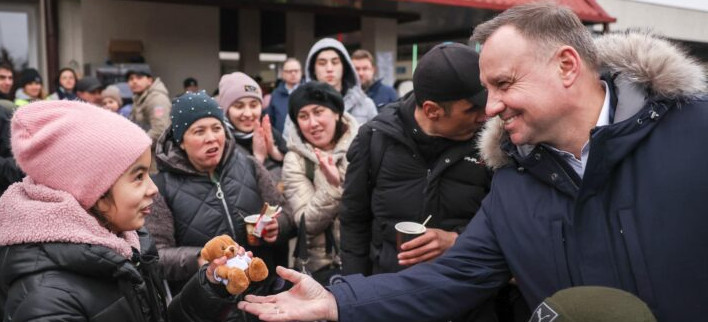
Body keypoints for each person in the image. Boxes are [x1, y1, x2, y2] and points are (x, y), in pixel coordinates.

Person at [237, 3, 708, 322]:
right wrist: (340, 300)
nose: (491, 108)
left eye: (503, 84)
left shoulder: (693, 133)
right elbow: (454, 276)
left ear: (566, 66)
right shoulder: (513, 179)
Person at [0, 100, 255, 321]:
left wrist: (210, 286)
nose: (153, 188)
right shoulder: (47, 301)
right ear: (93, 189)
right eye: (138, 176)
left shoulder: (126, 243)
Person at [143, 91, 293, 321]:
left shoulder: (249, 165)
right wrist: (199, 260)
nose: (211, 138)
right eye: (199, 131)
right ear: (181, 141)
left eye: (216, 128)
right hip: (210, 308)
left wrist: (278, 226)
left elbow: (285, 212)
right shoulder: (161, 187)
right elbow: (155, 257)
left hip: (263, 302)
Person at [282, 81, 358, 284]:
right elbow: (306, 221)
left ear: (336, 113)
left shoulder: (362, 146)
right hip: (319, 268)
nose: (312, 123)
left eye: (318, 112)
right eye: (303, 116)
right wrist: (333, 187)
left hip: (362, 260)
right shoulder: (295, 159)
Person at [218, 72, 288, 181]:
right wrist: (258, 159)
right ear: (226, 110)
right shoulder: (220, 141)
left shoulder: (269, 133)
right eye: (239, 106)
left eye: (253, 105)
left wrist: (276, 153)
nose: (248, 113)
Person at [126, 69, 171, 145]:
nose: (134, 81)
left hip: (155, 152)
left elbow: (160, 131)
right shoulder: (138, 98)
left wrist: (136, 146)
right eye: (131, 79)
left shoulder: (157, 100)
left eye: (139, 78)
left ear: (150, 80)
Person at [266, 58, 302, 134]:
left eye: (296, 71)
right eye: (289, 71)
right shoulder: (276, 94)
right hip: (281, 142)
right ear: (283, 74)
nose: (293, 74)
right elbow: (271, 120)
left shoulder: (308, 92)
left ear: (301, 72)